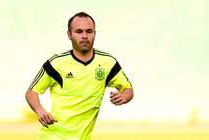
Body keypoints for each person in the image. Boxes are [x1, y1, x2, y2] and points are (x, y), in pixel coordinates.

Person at [25, 12, 134, 140]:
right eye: (79, 31)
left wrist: (124, 97)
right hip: (54, 136)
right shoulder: (56, 63)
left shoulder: (108, 63)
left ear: (95, 34)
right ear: (69, 35)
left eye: (89, 31)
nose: (84, 36)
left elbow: (128, 89)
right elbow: (31, 92)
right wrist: (40, 110)